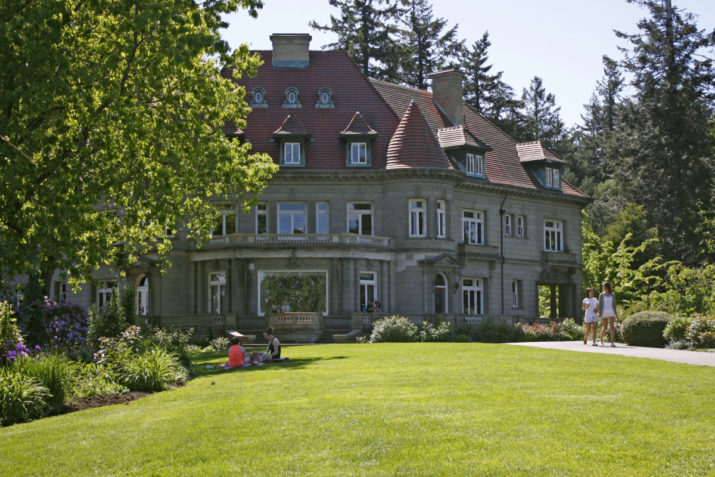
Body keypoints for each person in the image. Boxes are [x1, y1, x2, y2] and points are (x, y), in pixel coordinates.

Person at [598, 282, 619, 347]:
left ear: (607, 287)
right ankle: (601, 340)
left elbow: (614, 305)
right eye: (603, 287)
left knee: (612, 326)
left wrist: (617, 315)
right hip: (604, 312)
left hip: (611, 312)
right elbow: (600, 305)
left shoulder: (612, 294)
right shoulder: (601, 295)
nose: (603, 288)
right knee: (605, 327)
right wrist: (600, 313)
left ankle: (612, 342)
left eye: (604, 286)